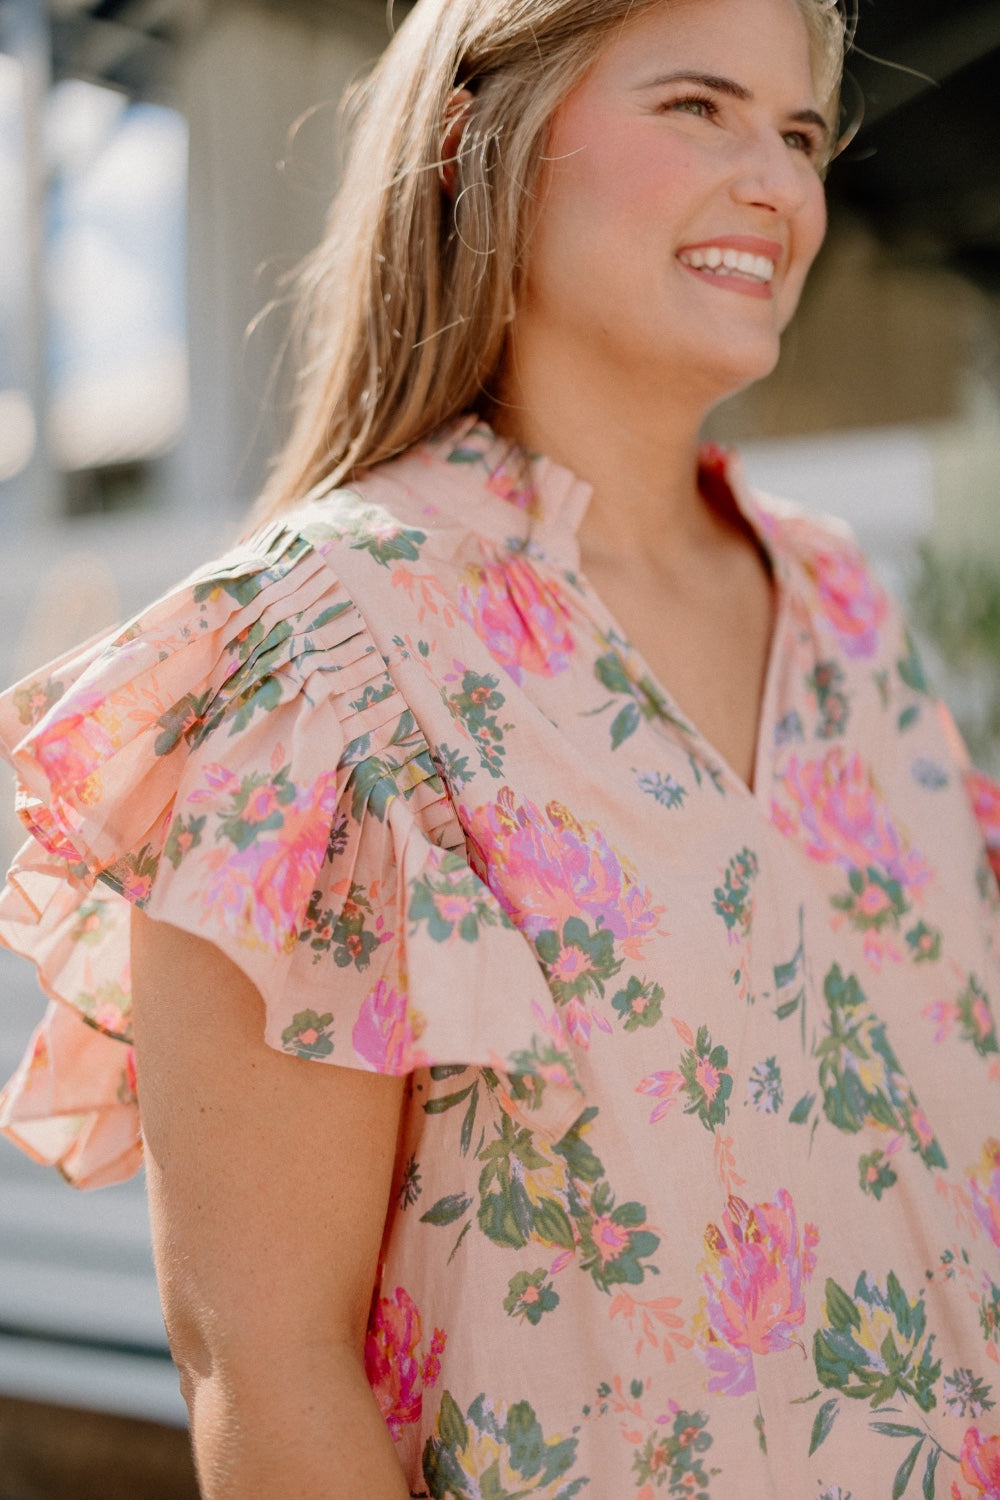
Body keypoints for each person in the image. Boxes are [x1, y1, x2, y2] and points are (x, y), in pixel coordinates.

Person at [1, 0, 998, 1494]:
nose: (781, 184)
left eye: (799, 133)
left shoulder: (857, 614)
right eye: (697, 107)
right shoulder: (319, 656)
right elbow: (268, 1364)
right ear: (482, 143)